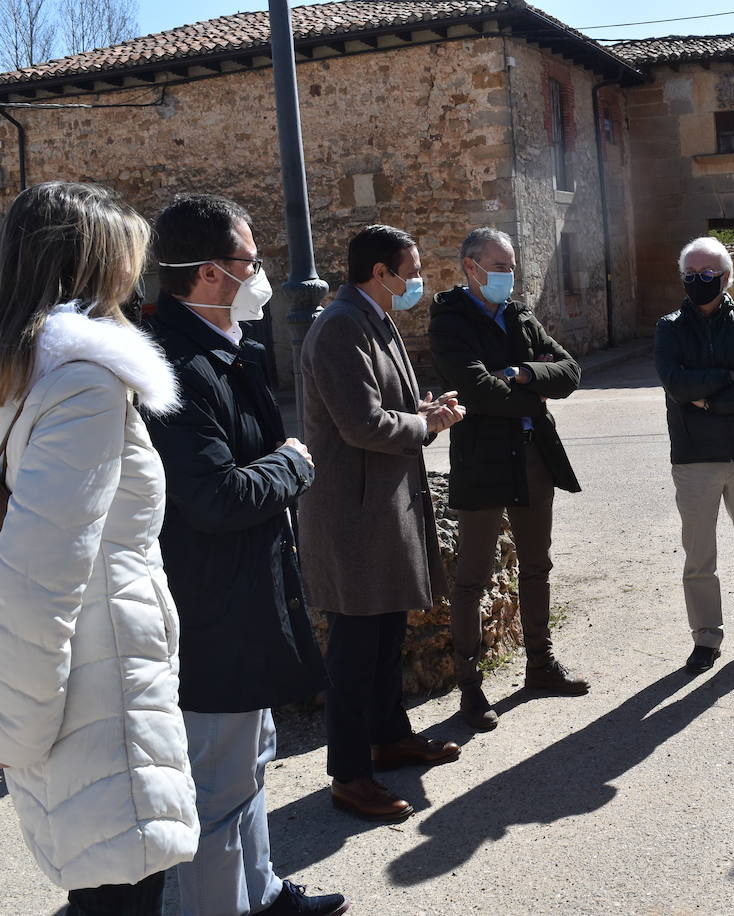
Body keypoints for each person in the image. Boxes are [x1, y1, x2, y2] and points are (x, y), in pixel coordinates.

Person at [144, 194, 348, 914]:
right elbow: (214, 496)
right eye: (249, 262)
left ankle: (260, 895)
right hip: (209, 610)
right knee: (217, 790)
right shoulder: (176, 366)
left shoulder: (221, 350)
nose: (261, 275)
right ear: (208, 274)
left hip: (240, 597)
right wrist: (294, 462)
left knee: (250, 761)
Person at [0, 181, 199, 914]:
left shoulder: (27, 375)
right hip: (95, 691)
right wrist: (15, 725)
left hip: (80, 684)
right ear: (95, 266)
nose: (134, 279)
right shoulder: (81, 382)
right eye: (127, 261)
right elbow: (36, 574)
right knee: (120, 892)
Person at [299, 225, 465, 822]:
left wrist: (423, 409)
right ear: (380, 272)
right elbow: (361, 425)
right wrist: (429, 427)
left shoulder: (375, 316)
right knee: (354, 650)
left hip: (382, 507)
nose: (417, 278)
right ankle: (349, 774)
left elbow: (383, 407)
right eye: (411, 268)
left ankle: (390, 737)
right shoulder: (342, 325)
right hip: (354, 515)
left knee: (386, 635)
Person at [429, 227, 588, 730]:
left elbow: (570, 372)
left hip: (532, 456)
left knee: (537, 565)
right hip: (481, 459)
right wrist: (530, 389)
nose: (508, 274)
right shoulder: (449, 320)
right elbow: (475, 391)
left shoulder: (518, 314)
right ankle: (471, 688)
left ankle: (539, 664)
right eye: (499, 265)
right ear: (470, 267)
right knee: (472, 578)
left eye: (511, 265)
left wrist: (520, 373)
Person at [653, 236, 734, 672]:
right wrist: (728, 378)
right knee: (699, 558)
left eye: (708, 275)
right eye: (691, 275)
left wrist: (709, 400)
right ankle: (706, 639)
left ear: (727, 278)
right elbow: (676, 383)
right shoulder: (669, 327)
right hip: (693, 458)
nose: (699, 282)